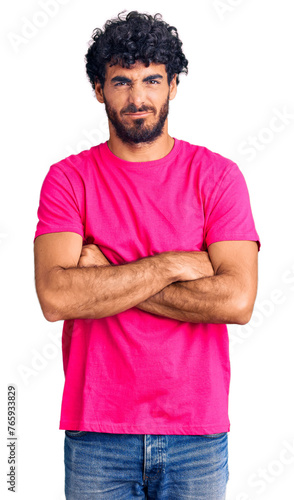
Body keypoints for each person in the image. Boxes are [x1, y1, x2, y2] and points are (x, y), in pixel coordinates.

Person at [33, 10, 260, 500]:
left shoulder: (218, 177)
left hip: (195, 433)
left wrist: (106, 278)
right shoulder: (68, 180)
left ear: (173, 85)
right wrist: (176, 264)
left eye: (152, 80)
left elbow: (237, 301)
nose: (138, 98)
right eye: (121, 81)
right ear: (99, 89)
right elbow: (56, 297)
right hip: (97, 431)